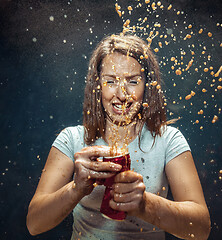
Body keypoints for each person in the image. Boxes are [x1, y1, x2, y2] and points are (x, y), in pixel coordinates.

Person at [26, 34, 211, 240]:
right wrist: (76, 188)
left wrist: (144, 204)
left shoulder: (169, 140)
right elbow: (34, 223)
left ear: (147, 86)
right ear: (97, 86)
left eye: (133, 81)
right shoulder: (72, 139)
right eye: (111, 81)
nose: (122, 94)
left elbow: (201, 228)